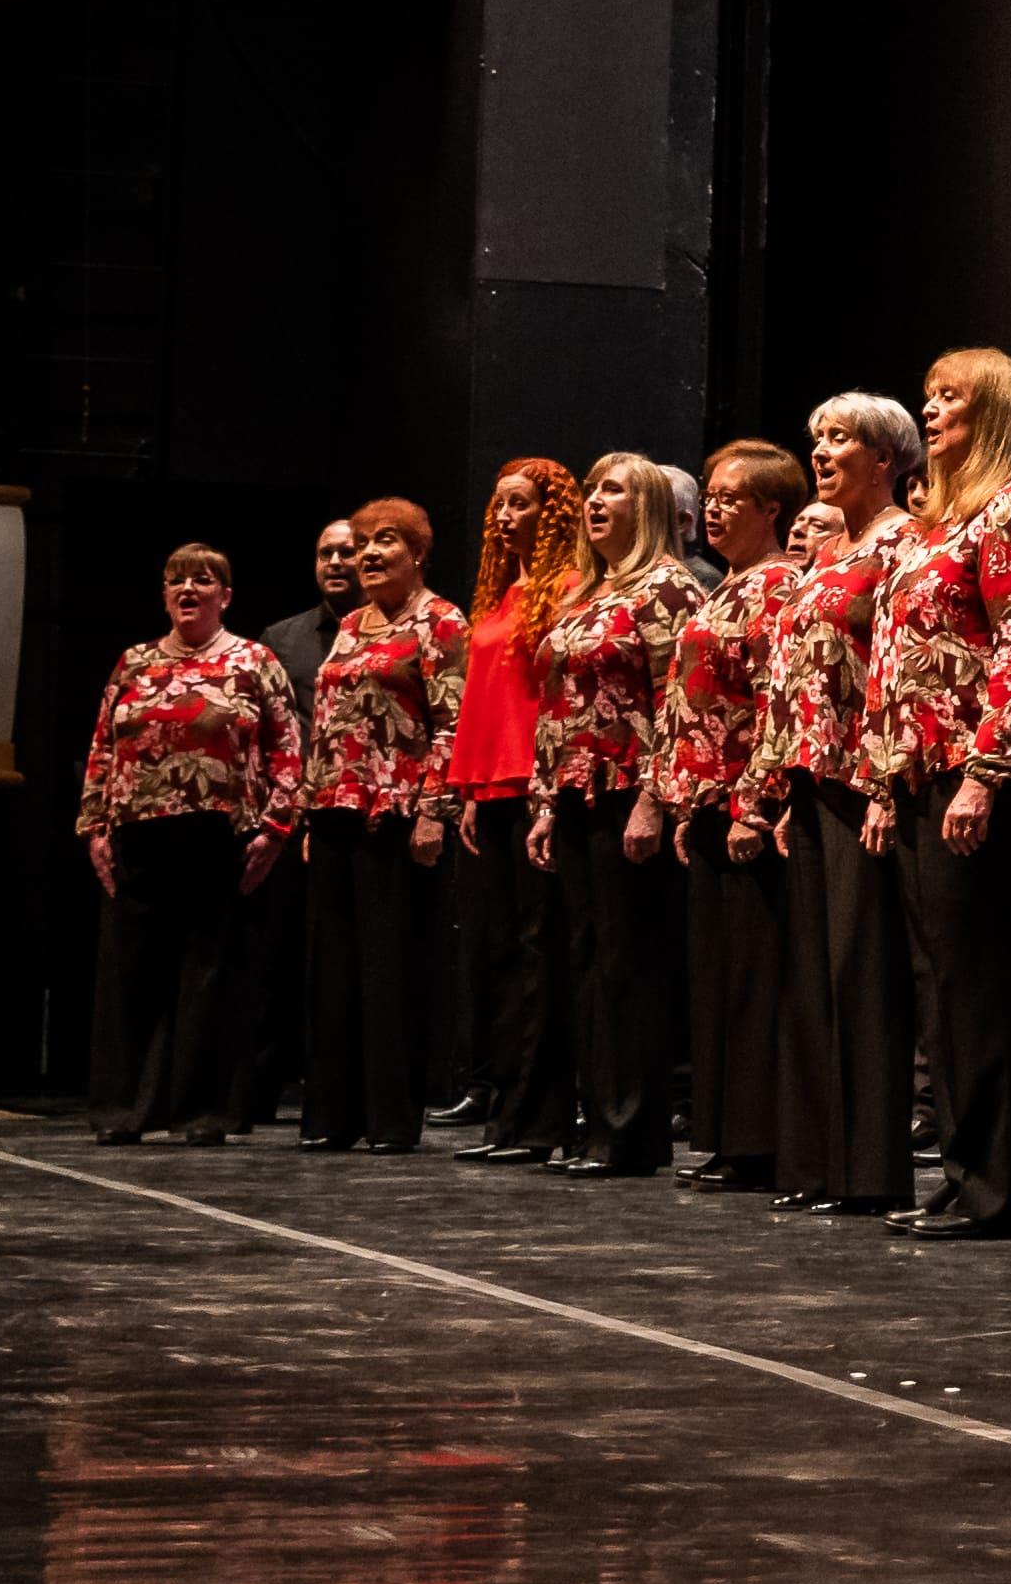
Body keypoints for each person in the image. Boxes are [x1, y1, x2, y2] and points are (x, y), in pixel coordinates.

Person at [866, 351, 1011, 1239]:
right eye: (930, 395)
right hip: (920, 776)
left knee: (984, 985)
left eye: (952, 398)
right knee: (942, 985)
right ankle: (960, 1171)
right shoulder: (940, 523)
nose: (932, 409)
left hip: (976, 775)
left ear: (994, 414)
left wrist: (987, 774)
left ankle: (999, 1183)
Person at [73, 544, 300, 1145]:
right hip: (138, 836)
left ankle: (202, 1112)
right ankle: (125, 1110)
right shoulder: (134, 662)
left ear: (224, 596)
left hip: (220, 837)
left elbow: (288, 752)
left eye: (203, 580)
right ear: (165, 594)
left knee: (210, 976)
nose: (188, 589)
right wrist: (95, 827)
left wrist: (276, 830)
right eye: (177, 580)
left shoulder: (254, 661)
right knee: (131, 975)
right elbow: (101, 749)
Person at [526, 456, 706, 1172]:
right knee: (587, 959)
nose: (595, 501)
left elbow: (677, 701)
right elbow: (556, 710)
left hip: (629, 791)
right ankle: (596, 1119)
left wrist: (653, 800)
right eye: (593, 489)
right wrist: (544, 803)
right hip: (576, 793)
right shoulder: (586, 592)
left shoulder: (667, 588)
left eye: (614, 490)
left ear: (651, 506)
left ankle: (631, 1130)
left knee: (628, 963)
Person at [767, 396, 924, 1215]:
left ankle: (869, 1169)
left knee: (863, 973)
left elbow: (898, 670)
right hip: (811, 777)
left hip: (862, 779)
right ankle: (818, 1162)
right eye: (817, 436)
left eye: (842, 438)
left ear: (888, 457)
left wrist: (881, 781)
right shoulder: (834, 550)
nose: (822, 451)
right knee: (815, 971)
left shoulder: (901, 541)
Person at [642, 442, 809, 1188]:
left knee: (751, 979)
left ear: (771, 509)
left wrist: (752, 804)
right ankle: (724, 1133)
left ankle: (757, 1140)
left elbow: (778, 702)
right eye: (709, 495)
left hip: (749, 808)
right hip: (706, 807)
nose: (713, 508)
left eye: (731, 497)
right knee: (714, 978)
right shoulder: (727, 586)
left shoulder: (777, 586)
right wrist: (683, 802)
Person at [295, 498, 465, 1152]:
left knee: (390, 967)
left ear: (418, 553)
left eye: (384, 541)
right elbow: (331, 724)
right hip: (336, 811)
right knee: (332, 968)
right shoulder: (352, 625)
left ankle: (390, 1119)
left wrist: (432, 812)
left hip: (396, 813)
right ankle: (331, 1118)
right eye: (362, 541)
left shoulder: (440, 621)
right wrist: (314, 810)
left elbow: (450, 724)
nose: (367, 553)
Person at [445, 460, 590, 1162]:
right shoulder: (503, 595)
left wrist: (542, 791)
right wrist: (468, 791)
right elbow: (482, 701)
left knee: (539, 954)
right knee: (498, 954)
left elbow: (556, 704)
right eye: (498, 506)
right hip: (490, 791)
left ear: (552, 512)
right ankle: (506, 1112)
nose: (504, 518)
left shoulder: (566, 592)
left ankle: (540, 1120)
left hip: (534, 787)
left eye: (520, 504)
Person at [226, 517, 360, 1133]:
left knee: (343, 961)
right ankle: (252, 1093)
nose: (336, 562)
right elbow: (263, 733)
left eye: (348, 551)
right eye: (325, 552)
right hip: (290, 818)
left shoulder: (394, 630)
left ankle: (339, 1098)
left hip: (356, 815)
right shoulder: (283, 638)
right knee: (271, 958)